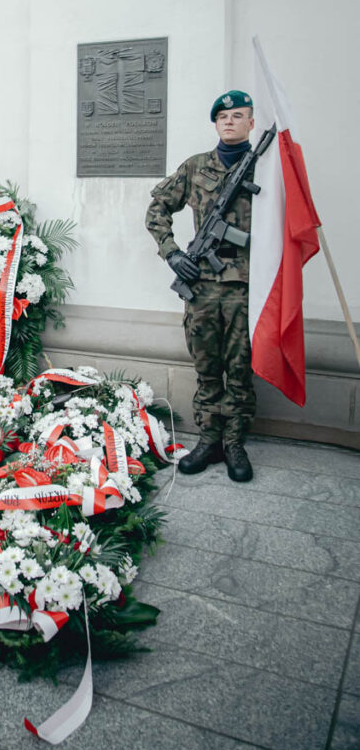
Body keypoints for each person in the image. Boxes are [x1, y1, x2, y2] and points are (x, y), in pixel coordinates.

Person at [145, 90, 257, 483]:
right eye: (223, 116)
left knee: (240, 369)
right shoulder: (195, 167)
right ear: (216, 123)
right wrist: (172, 253)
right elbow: (157, 207)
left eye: (238, 115)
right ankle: (209, 439)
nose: (229, 121)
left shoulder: (265, 170)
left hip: (246, 289)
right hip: (203, 287)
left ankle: (235, 443)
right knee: (207, 367)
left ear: (250, 123)